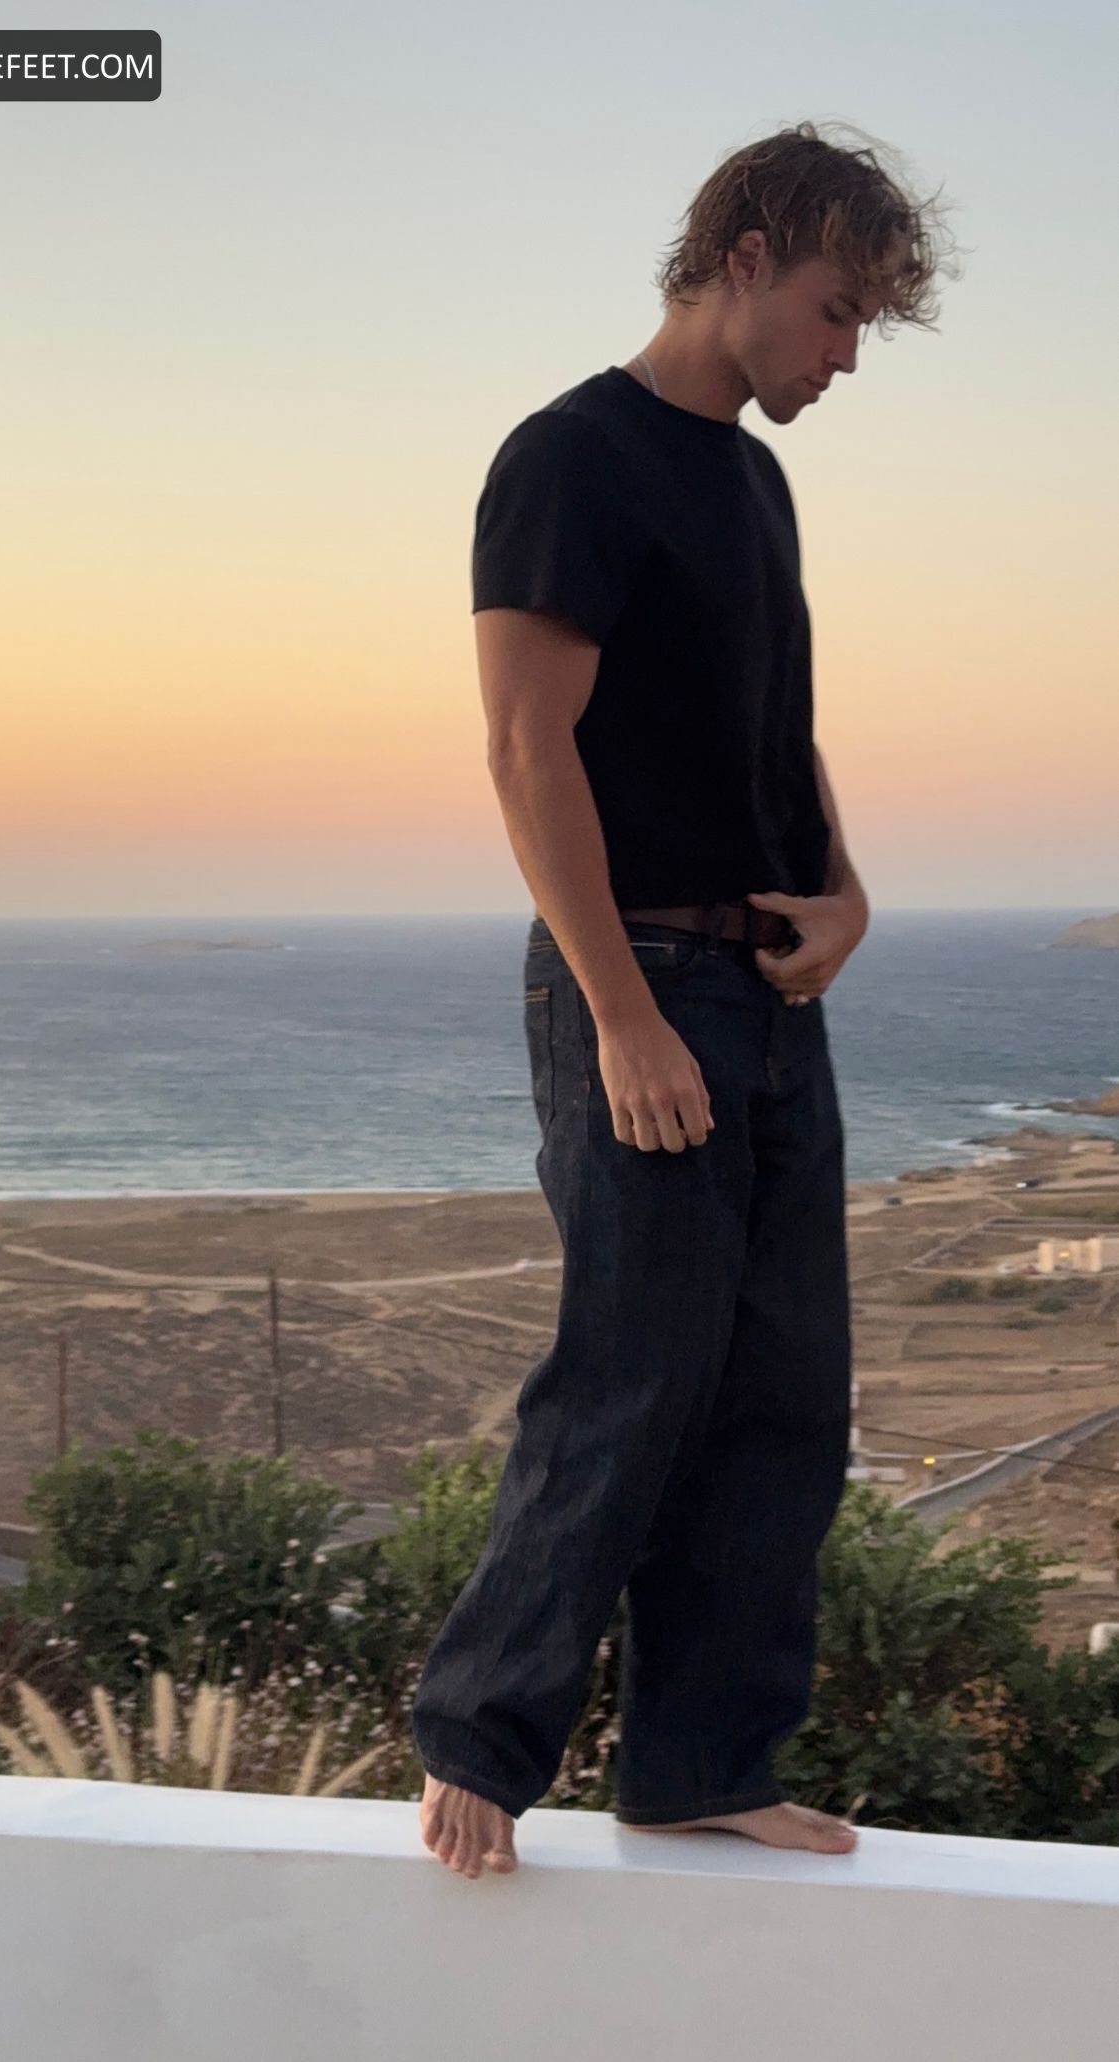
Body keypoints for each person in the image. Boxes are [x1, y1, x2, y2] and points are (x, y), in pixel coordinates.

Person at [411, 120, 958, 1880]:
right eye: (837, 309)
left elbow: (775, 726)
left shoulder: (753, 483)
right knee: (630, 1372)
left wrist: (845, 889)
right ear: (742, 259)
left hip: (770, 990)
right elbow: (525, 748)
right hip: (638, 976)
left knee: (786, 1392)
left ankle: (700, 1762)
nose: (846, 354)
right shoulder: (568, 457)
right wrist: (621, 1017)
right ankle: (477, 1744)